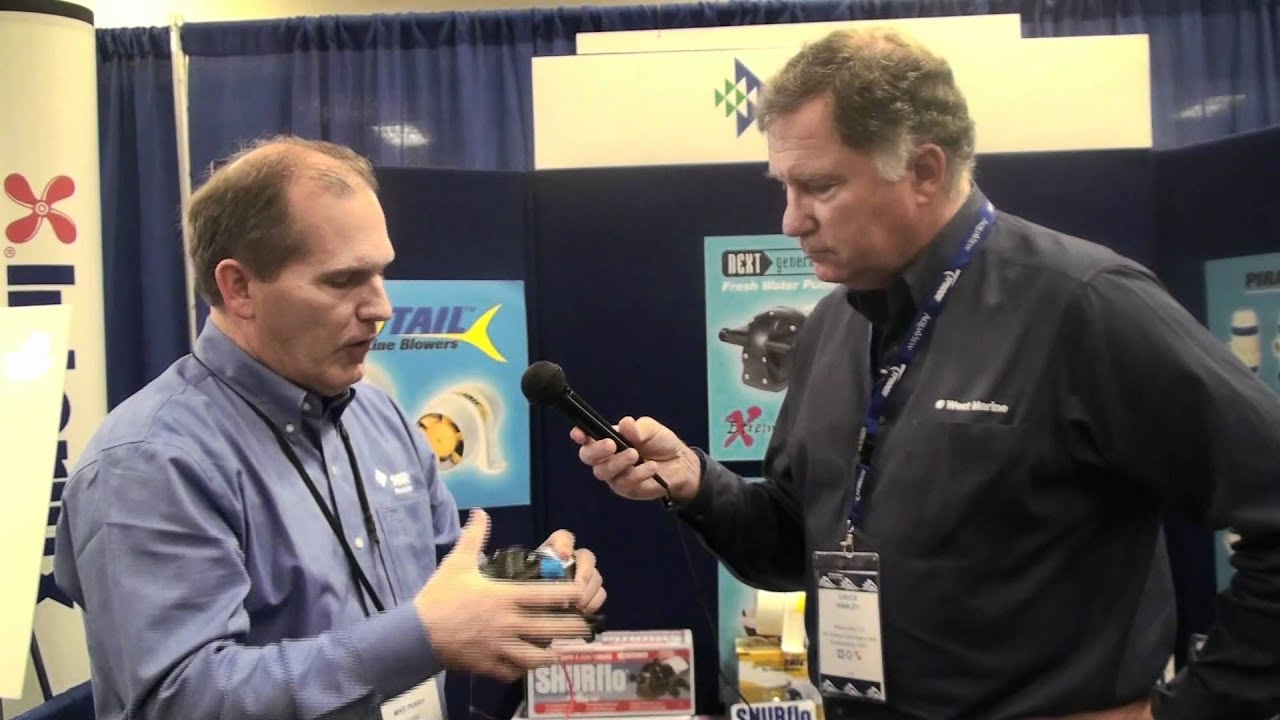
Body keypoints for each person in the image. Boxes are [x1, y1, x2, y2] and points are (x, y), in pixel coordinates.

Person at [571, 28, 1280, 720]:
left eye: (818, 187)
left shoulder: (1082, 305)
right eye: (783, 187)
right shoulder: (831, 328)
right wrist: (698, 484)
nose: (791, 221)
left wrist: (1194, 709)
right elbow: (796, 546)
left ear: (924, 171)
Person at [53, 136, 605, 720]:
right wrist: (420, 640)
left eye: (381, 273)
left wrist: (532, 589)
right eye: (343, 281)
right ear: (239, 288)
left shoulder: (380, 417)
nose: (381, 307)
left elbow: (444, 591)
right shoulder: (149, 462)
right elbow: (178, 700)